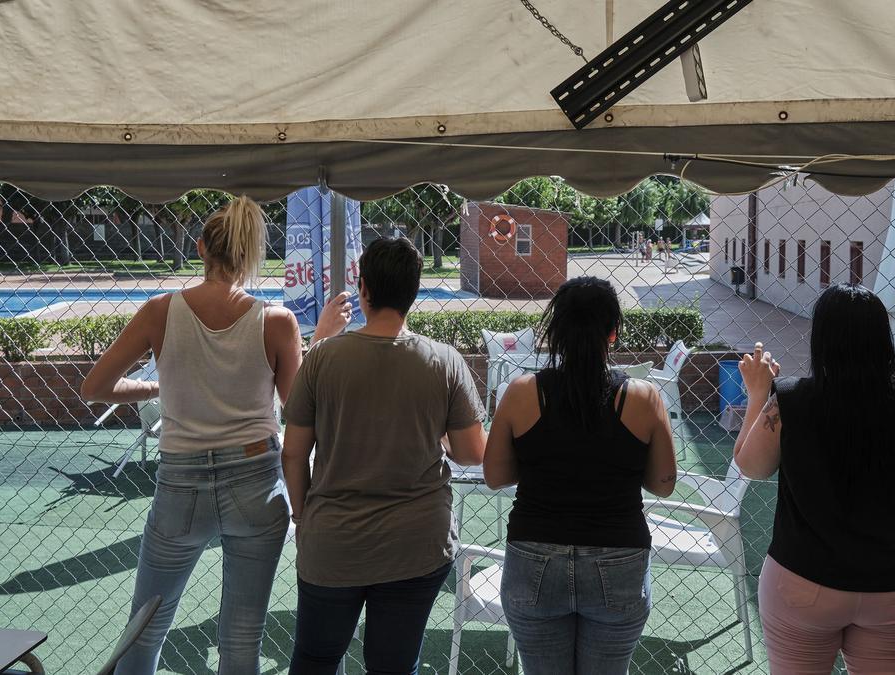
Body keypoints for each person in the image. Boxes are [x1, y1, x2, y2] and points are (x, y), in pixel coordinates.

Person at [81, 195, 351, 675]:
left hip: (180, 483)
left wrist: (159, 385)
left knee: (144, 629)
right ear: (249, 255)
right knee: (241, 640)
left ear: (202, 247)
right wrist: (321, 340)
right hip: (256, 481)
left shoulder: (159, 312)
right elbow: (297, 408)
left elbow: (96, 387)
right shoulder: (275, 321)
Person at [282, 236, 487, 675]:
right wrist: (437, 436)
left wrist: (302, 518)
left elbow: (293, 454)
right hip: (417, 544)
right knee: (394, 665)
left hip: (333, 541)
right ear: (413, 294)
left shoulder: (322, 359)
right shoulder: (444, 361)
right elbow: (472, 451)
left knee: (315, 658)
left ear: (364, 291)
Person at [733, 283, 895, 675]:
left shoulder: (792, 400)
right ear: (883, 339)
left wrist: (757, 393)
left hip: (803, 582)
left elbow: (751, 466)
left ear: (821, 339)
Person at [482, 276, 678, 675]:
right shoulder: (642, 397)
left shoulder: (521, 393)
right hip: (618, 558)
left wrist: (543, 459)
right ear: (613, 332)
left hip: (534, 557)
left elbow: (495, 476)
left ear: (557, 332)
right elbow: (663, 483)